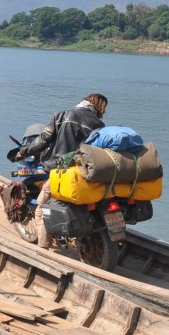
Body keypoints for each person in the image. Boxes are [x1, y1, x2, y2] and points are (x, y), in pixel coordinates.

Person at [17, 93, 108, 248]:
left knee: (40, 210)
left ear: (84, 101)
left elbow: (43, 140)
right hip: (87, 174)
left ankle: (42, 248)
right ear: (99, 108)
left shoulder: (63, 115)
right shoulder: (99, 125)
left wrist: (24, 151)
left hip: (62, 171)